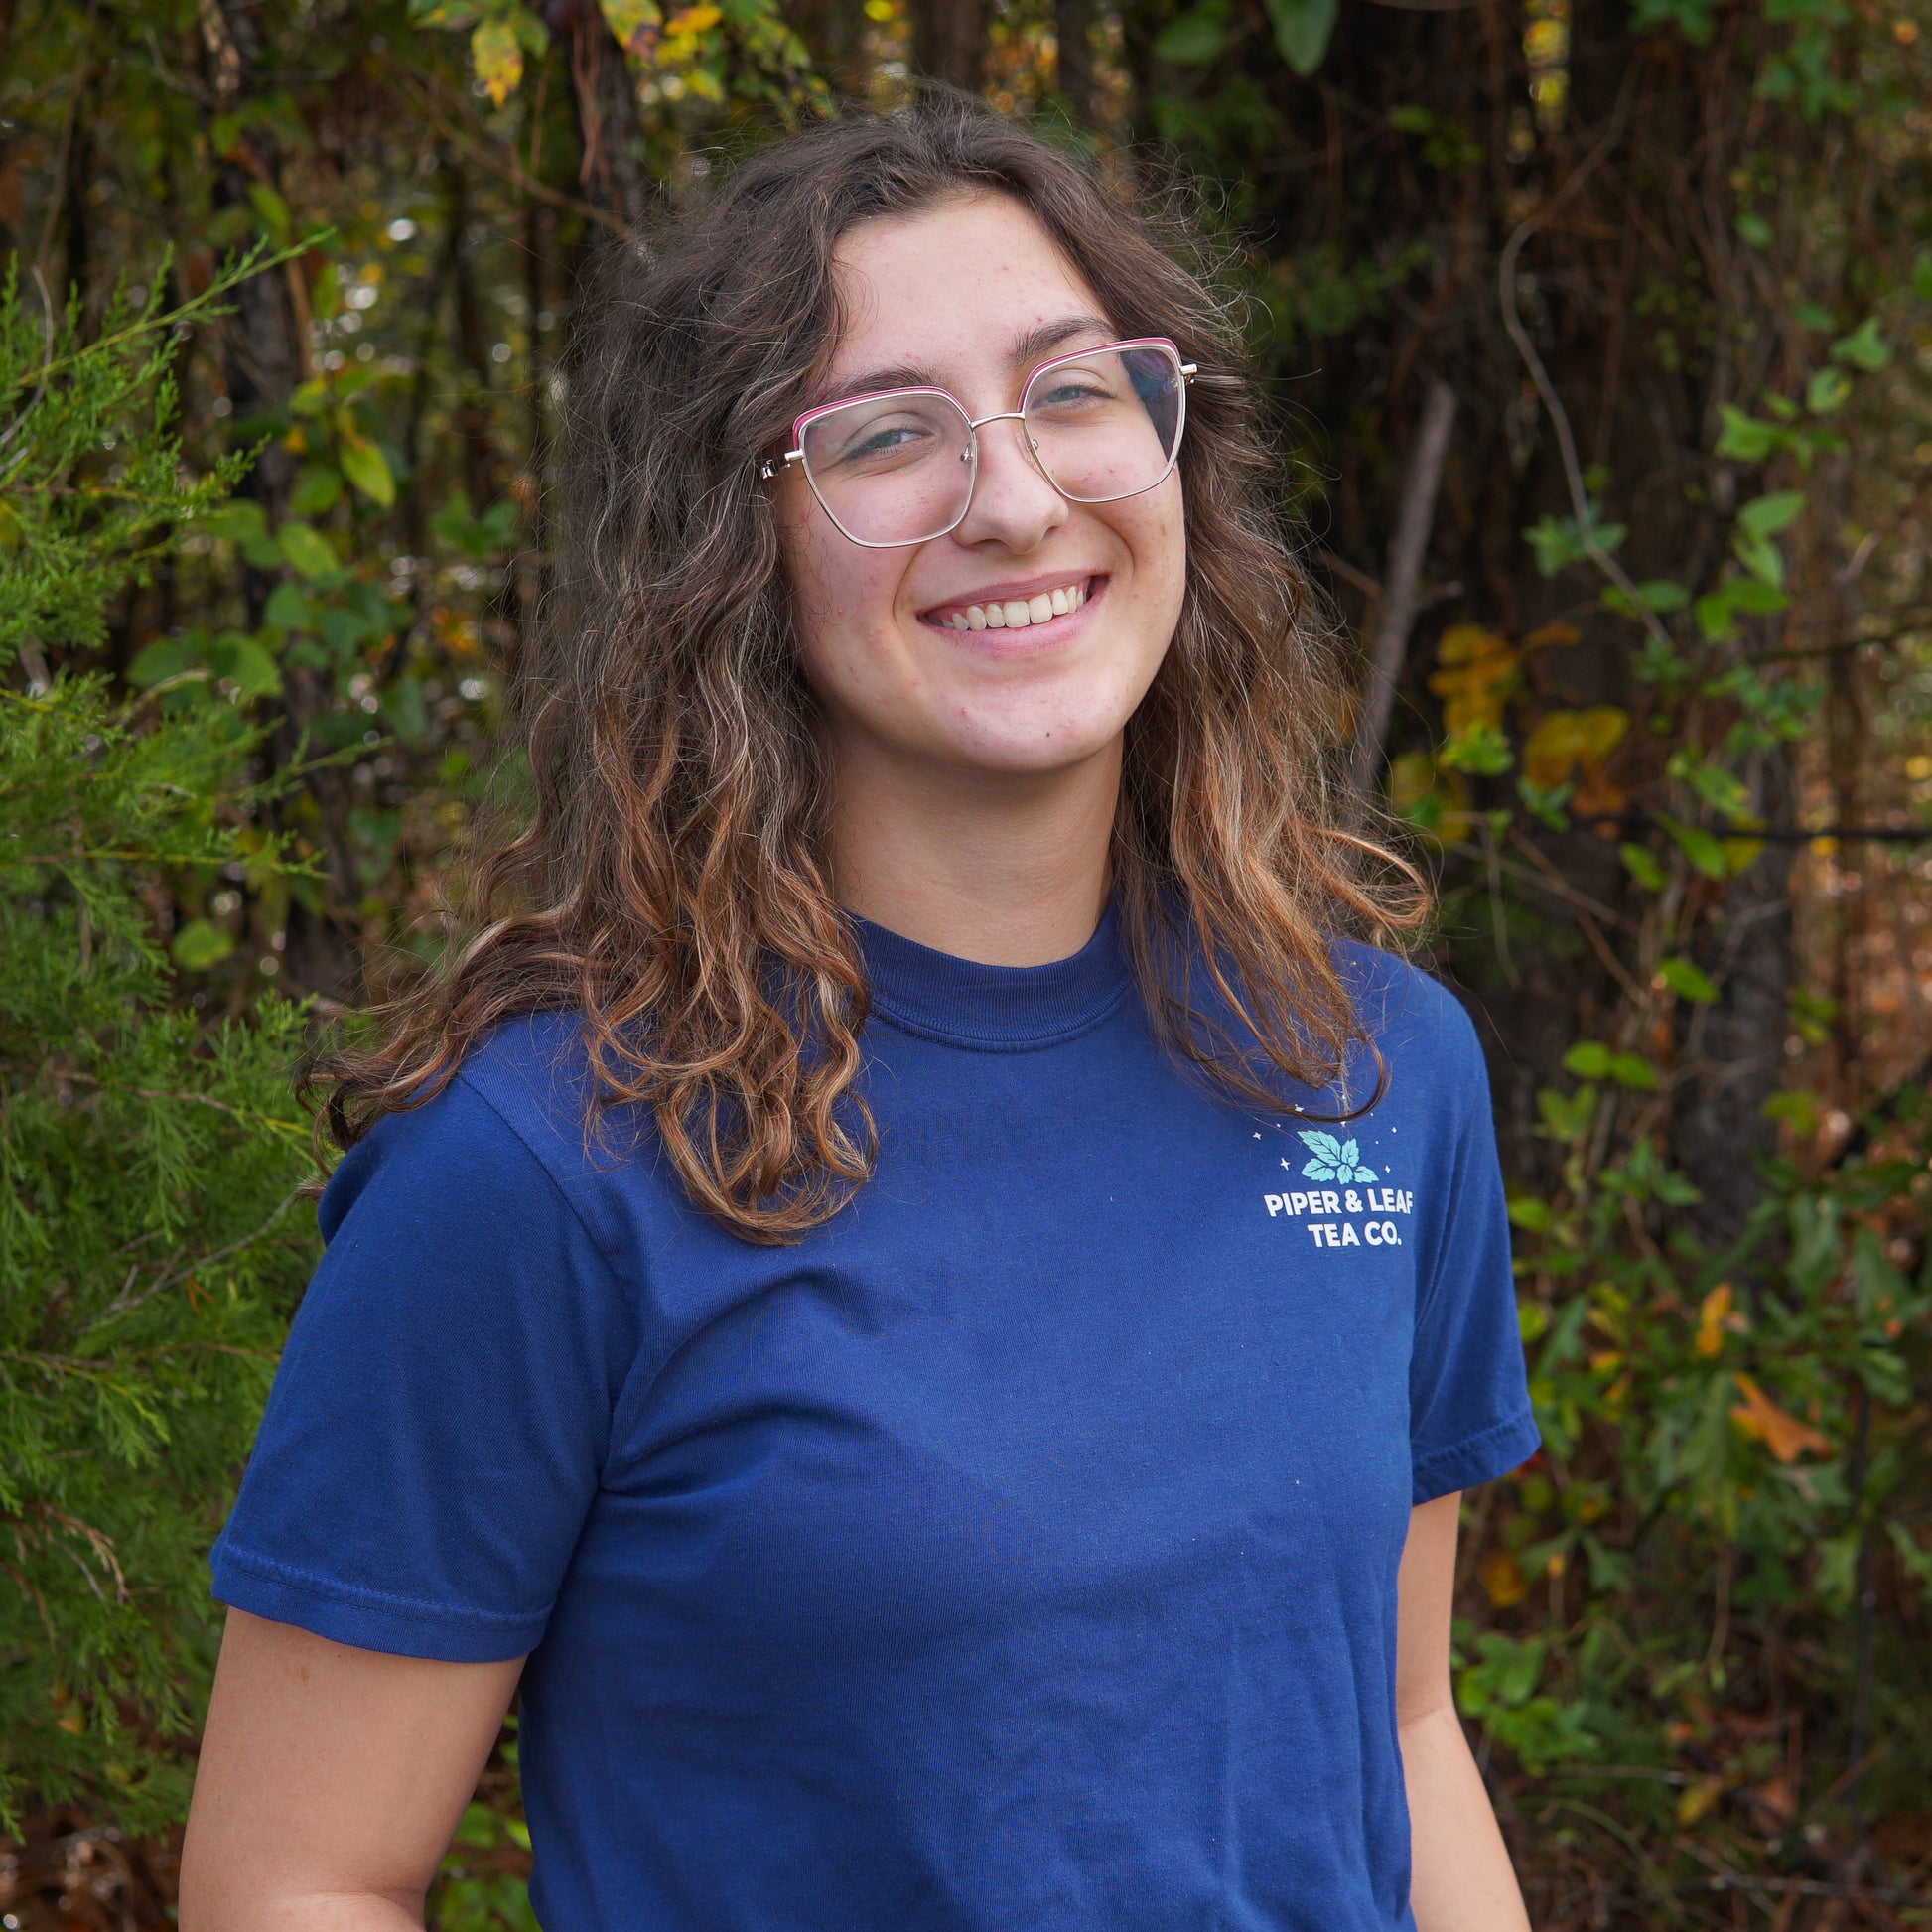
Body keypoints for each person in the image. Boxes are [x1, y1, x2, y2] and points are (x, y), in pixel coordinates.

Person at [180, 98, 1539, 1932]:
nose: (1013, 497)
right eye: (884, 432)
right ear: (732, 544)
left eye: (1073, 391)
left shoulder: (1372, 1064)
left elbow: (1396, 1721)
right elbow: (295, 1881)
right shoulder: (546, 1160)